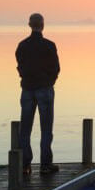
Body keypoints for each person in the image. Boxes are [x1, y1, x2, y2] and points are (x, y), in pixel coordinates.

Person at [15, 13, 60, 176]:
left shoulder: (22, 45)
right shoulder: (49, 45)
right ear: (42, 25)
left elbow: (19, 66)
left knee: (25, 128)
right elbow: (56, 68)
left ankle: (25, 164)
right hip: (44, 89)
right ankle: (45, 165)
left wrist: (26, 78)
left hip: (27, 89)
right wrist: (49, 82)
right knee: (46, 128)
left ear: (29, 25)